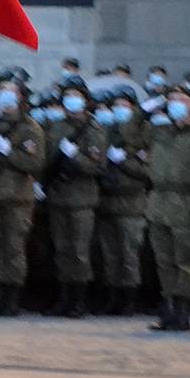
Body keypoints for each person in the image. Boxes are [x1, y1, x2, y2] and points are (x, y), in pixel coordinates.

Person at [143, 87, 190, 332]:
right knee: (163, 260)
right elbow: (129, 133)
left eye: (181, 100)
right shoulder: (160, 131)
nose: (175, 104)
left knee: (183, 261)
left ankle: (183, 313)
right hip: (158, 202)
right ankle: (168, 310)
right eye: (172, 100)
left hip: (184, 203)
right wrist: (150, 106)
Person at [0, 78, 45, 315]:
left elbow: (35, 162)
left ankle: (12, 298)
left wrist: (9, 153)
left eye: (11, 91)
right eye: (3, 90)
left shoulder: (29, 127)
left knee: (14, 247)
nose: (6, 95)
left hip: (17, 197)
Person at [42, 84, 107, 317]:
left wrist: (75, 156)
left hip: (82, 198)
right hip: (58, 195)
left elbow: (98, 166)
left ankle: (78, 301)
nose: (71, 102)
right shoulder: (56, 127)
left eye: (75, 98)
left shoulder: (94, 130)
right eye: (67, 98)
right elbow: (46, 158)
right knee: (61, 249)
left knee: (79, 251)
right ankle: (63, 298)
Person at [97, 90, 150, 315]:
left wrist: (124, 162)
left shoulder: (144, 136)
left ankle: (130, 298)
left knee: (129, 255)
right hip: (107, 202)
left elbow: (148, 172)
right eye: (116, 105)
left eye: (124, 105)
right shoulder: (107, 133)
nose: (119, 109)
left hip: (132, 204)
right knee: (110, 254)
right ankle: (113, 296)